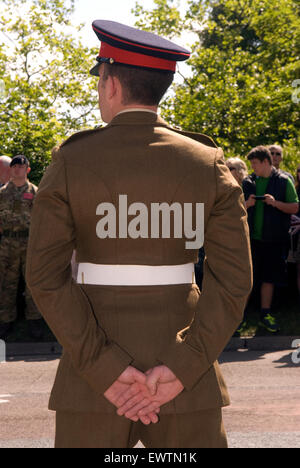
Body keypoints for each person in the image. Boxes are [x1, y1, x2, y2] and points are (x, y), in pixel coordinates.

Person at [26, 20, 252, 449]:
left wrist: (103, 368)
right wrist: (183, 367)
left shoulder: (72, 160)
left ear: (111, 84)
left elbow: (44, 276)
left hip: (91, 377)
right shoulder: (208, 162)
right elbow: (234, 280)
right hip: (186, 374)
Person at [243, 146, 299, 333]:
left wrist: (275, 203)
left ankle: (265, 314)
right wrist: (247, 204)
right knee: (248, 279)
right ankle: (240, 317)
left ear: (266, 162)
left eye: (255, 164)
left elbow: (294, 207)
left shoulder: (284, 181)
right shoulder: (248, 182)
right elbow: (233, 209)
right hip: (251, 240)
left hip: (275, 239)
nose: (253, 168)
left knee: (269, 278)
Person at [0, 156, 42, 340]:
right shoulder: (2, 193)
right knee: (5, 284)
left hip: (30, 244)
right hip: (7, 244)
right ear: (10, 169)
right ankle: (5, 322)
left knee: (32, 284)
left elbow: (43, 220)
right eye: (14, 166)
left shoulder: (36, 192)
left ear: (28, 170)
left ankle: (34, 323)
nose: (17, 169)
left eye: (21, 166)